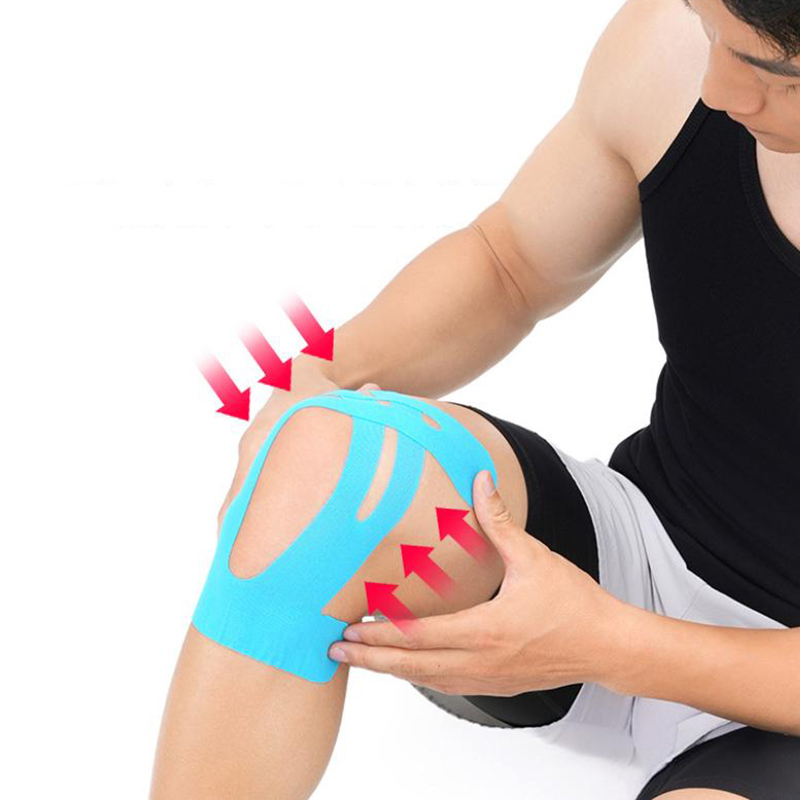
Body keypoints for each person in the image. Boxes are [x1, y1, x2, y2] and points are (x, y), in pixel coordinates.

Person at [150, 0, 800, 797]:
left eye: (772, 71)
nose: (715, 88)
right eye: (711, 31)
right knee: (331, 466)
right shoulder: (668, 47)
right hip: (634, 549)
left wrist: (608, 643)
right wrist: (310, 384)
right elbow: (509, 261)